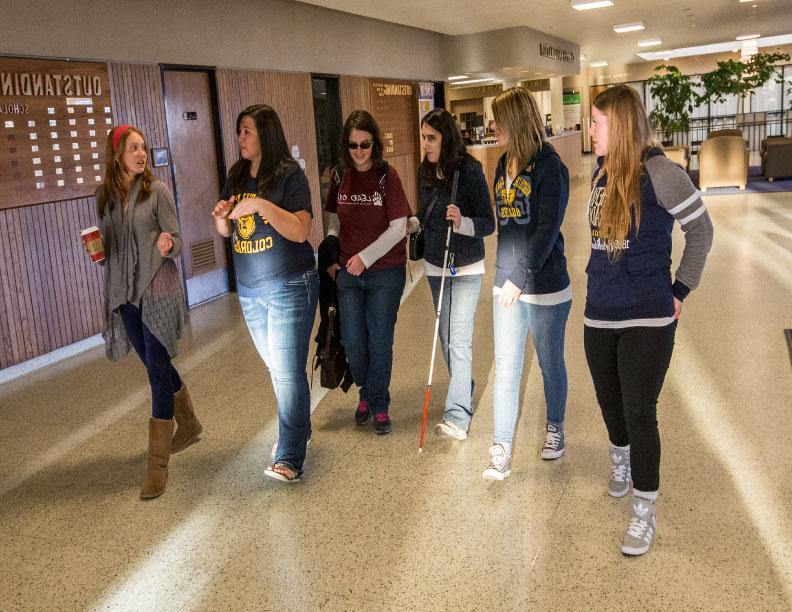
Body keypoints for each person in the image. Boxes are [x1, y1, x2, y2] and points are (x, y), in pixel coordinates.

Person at [586, 84, 713, 555]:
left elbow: (701, 230)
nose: (591, 130)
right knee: (609, 404)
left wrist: (680, 289)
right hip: (599, 313)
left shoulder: (662, 175)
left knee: (641, 413)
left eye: (597, 123)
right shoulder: (601, 172)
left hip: (647, 315)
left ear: (618, 126)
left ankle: (644, 510)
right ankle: (620, 459)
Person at [212, 104, 318, 483]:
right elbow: (228, 232)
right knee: (277, 368)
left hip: (290, 284)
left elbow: (301, 230)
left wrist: (260, 205)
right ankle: (299, 430)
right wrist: (222, 216)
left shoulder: (290, 176)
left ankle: (290, 455)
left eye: (247, 131)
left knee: (288, 373)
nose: (240, 138)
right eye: (239, 131)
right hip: (251, 290)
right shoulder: (237, 174)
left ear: (265, 135)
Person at [94, 124, 197, 500]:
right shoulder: (103, 197)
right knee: (155, 364)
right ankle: (187, 420)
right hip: (125, 294)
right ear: (117, 153)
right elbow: (110, 247)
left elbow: (178, 240)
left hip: (159, 288)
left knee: (156, 370)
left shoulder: (158, 192)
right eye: (134, 148)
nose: (141, 155)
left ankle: (157, 465)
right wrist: (98, 252)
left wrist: (169, 243)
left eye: (144, 148)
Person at [482, 87, 572, 480]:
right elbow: (506, 230)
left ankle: (555, 426)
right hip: (508, 284)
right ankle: (501, 447)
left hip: (546, 284)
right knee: (506, 368)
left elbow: (546, 230)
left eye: (497, 120)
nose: (491, 126)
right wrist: (503, 278)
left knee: (550, 363)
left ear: (514, 121)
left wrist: (520, 278)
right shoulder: (502, 164)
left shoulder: (550, 166)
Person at [408, 108, 494, 440]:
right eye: (423, 137)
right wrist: (413, 223)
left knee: (459, 340)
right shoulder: (424, 171)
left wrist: (462, 222)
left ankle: (458, 413)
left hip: (467, 265)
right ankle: (464, 384)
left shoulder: (470, 171)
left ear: (446, 138)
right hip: (434, 264)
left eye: (431, 138)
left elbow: (488, 222)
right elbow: (423, 213)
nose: (426, 144)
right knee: (445, 340)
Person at [325, 110, 411, 435]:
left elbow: (398, 227)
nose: (359, 152)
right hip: (348, 273)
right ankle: (366, 389)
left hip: (385, 272)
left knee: (379, 341)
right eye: (353, 145)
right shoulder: (338, 176)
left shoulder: (387, 177)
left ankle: (378, 402)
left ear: (374, 143)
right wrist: (332, 247)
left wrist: (365, 256)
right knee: (353, 342)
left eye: (365, 145)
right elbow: (334, 217)